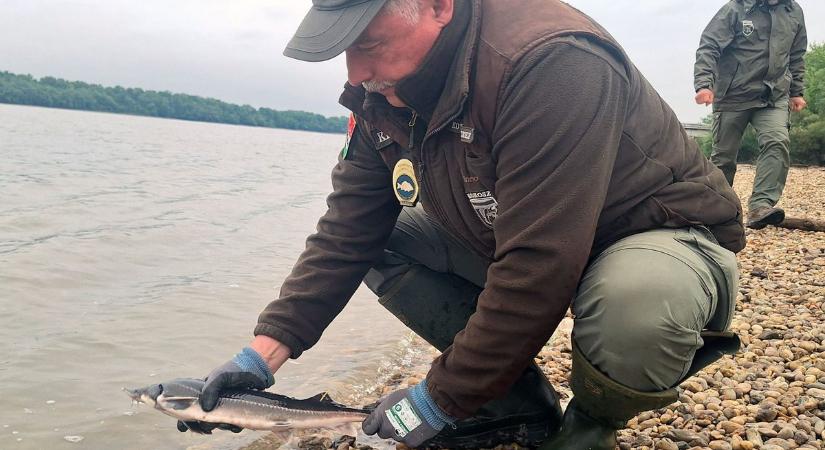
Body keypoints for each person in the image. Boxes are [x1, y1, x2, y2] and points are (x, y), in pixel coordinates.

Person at [179, 1, 746, 448]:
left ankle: (591, 426)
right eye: (344, 50)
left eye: (370, 43)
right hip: (523, 235)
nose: (358, 73)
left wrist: (437, 400)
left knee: (638, 307)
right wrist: (259, 358)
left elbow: (540, 263)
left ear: (438, 5)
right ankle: (516, 402)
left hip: (652, 235)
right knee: (384, 241)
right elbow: (347, 231)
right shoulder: (384, 89)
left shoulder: (552, 61)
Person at [694, 0, 807, 230]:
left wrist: (797, 92)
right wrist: (704, 84)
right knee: (724, 157)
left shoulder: (793, 11)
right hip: (733, 94)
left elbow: (796, 55)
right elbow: (709, 45)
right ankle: (717, 209)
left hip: (773, 95)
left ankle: (761, 206)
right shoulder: (735, 9)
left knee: (777, 141)